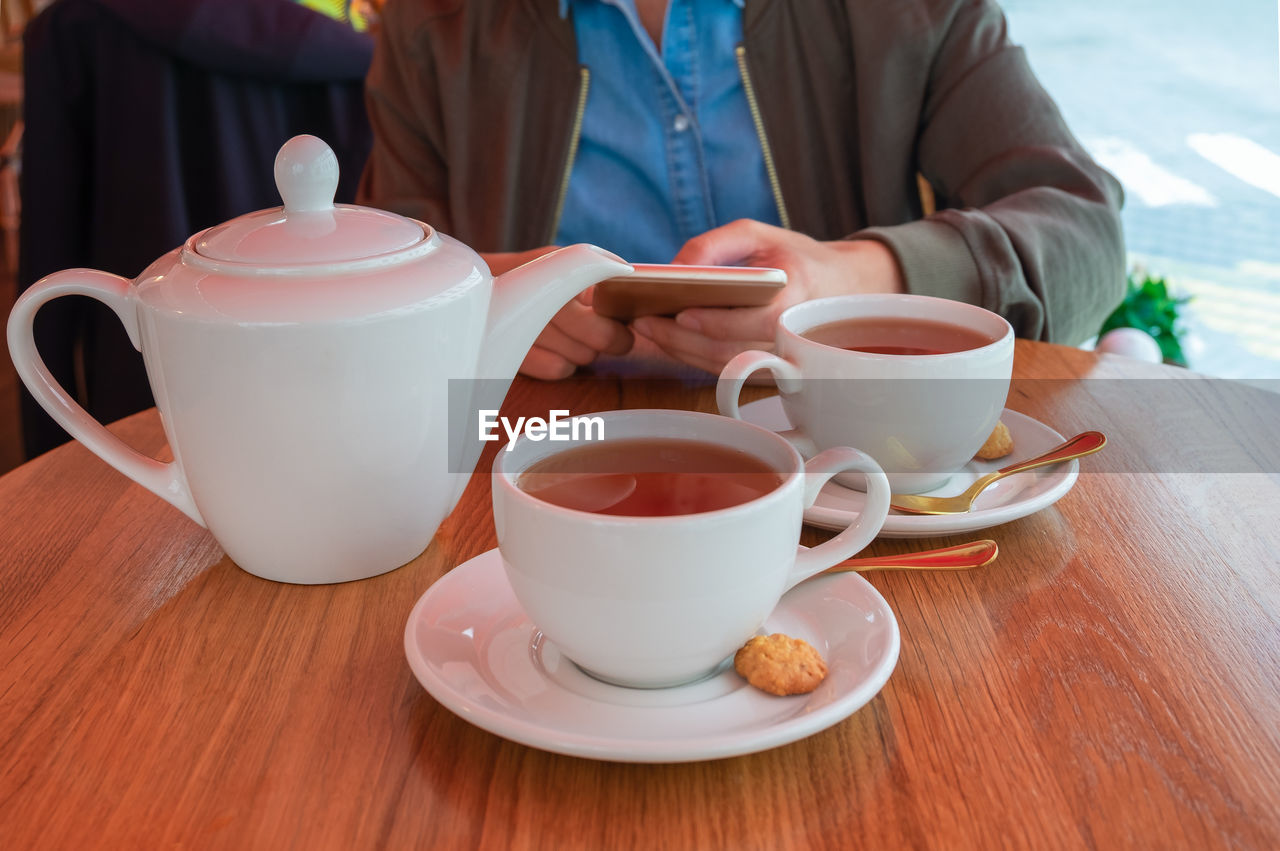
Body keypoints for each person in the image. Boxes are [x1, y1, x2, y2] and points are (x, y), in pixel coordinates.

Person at [357, 0, 1125, 380]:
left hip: (844, 474)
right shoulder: (433, 27)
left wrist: (854, 282)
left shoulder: (903, 14)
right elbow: (370, 292)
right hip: (539, 471)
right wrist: (485, 300)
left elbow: (1083, 233)